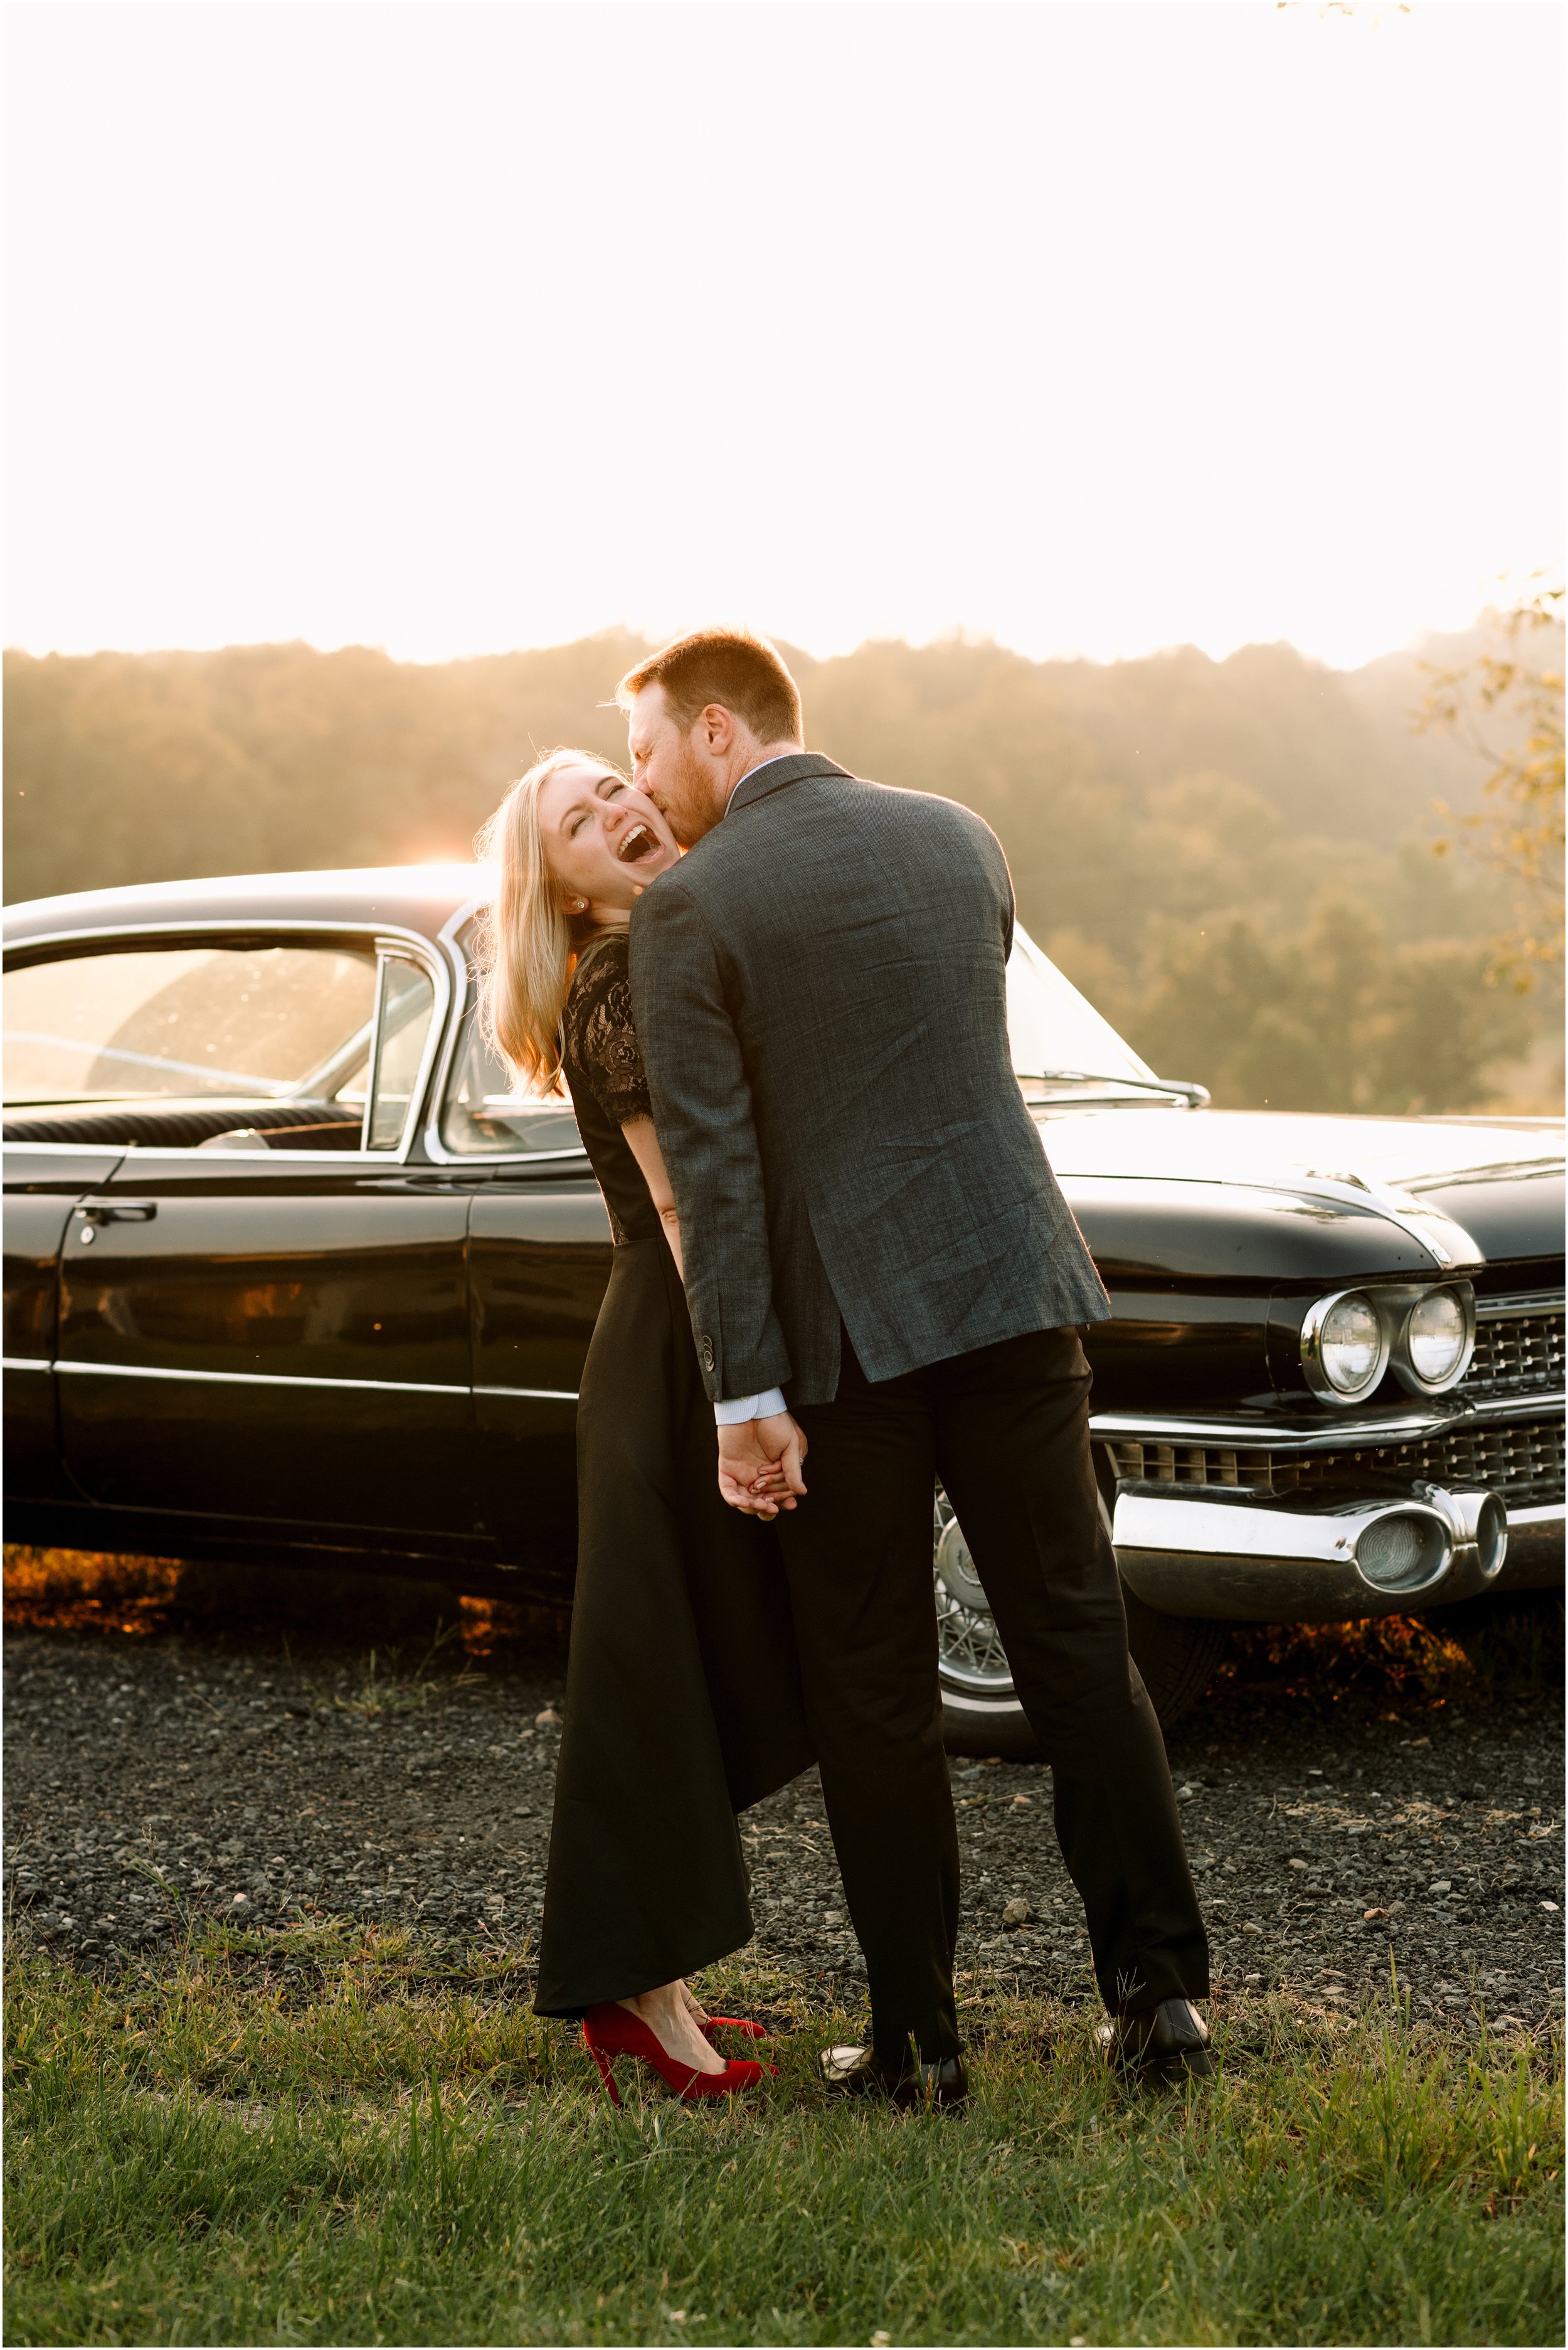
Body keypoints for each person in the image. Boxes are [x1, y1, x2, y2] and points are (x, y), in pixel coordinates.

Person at [623, 629, 1212, 2103]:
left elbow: (720, 1167)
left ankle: (918, 2044)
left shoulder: (689, 907)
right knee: (1079, 1649)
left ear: (711, 729)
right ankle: (1156, 2002)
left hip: (844, 1347)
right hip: (1015, 1295)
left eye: (643, 752)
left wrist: (742, 1396)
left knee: (873, 1686)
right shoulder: (963, 839)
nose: (642, 788)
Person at [475, 747, 812, 2105]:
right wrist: (751, 1382)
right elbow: (684, 1214)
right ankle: (636, 2005)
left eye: (613, 786)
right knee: (655, 1671)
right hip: (675, 1349)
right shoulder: (614, 983)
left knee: (674, 1668)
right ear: (554, 887)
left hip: (678, 1342)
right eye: (577, 819)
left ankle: (653, 1988)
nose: (616, 810)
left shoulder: (657, 951)